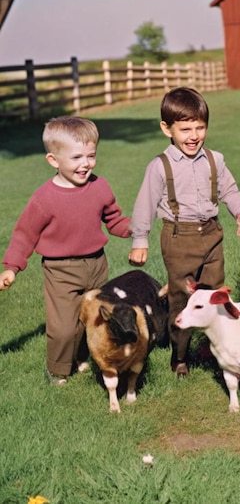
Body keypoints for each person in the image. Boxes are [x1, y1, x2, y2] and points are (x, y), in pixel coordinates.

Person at [129, 87, 240, 377]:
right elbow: (144, 205)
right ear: (166, 129)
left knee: (213, 295)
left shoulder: (215, 160)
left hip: (212, 235)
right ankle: (180, 356)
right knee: (181, 299)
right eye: (185, 129)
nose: (193, 136)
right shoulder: (160, 166)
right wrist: (140, 241)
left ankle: (215, 349)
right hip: (178, 239)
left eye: (199, 127)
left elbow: (230, 190)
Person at [0, 116, 131, 385]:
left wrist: (137, 228)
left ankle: (85, 356)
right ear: (53, 160)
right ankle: (58, 370)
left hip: (97, 264)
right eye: (76, 158)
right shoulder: (44, 199)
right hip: (61, 270)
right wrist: (12, 267)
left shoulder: (100, 186)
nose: (85, 164)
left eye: (91, 156)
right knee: (63, 328)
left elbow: (115, 221)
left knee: (94, 317)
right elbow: (25, 235)